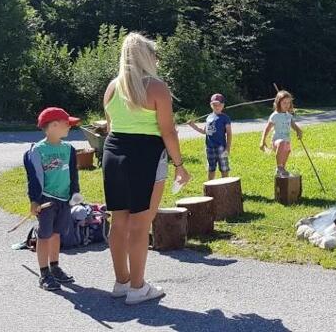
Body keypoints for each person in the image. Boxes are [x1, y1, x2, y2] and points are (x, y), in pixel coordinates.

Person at [102, 32, 190, 305]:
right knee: (141, 224)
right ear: (147, 56)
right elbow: (168, 132)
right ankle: (138, 288)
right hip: (146, 155)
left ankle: (122, 281)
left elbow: (109, 126)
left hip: (113, 152)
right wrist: (180, 165)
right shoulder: (156, 87)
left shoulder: (112, 87)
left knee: (119, 221)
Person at [23, 107, 81, 290]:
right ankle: (44, 273)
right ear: (54, 125)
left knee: (57, 234)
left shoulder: (69, 149)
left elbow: (73, 173)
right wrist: (34, 200)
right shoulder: (37, 151)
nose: (70, 127)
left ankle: (55, 267)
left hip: (64, 199)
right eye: (67, 124)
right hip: (46, 200)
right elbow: (33, 178)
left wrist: (75, 192)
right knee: (44, 235)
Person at [187, 93, 232, 180]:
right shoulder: (209, 117)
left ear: (223, 105)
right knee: (211, 168)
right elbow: (205, 131)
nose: (216, 106)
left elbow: (229, 134)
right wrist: (193, 126)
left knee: (224, 168)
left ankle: (225, 186)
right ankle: (210, 186)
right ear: (211, 105)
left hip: (221, 147)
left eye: (219, 104)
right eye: (214, 104)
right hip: (209, 147)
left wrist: (227, 148)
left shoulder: (225, 118)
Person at [260, 90, 302, 176]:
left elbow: (293, 125)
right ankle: (279, 167)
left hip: (286, 139)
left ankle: (282, 168)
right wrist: (262, 141)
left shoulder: (288, 115)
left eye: (289, 103)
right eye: (284, 103)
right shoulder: (275, 115)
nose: (287, 105)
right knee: (282, 143)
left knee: (288, 150)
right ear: (278, 103)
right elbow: (267, 128)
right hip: (277, 140)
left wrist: (298, 130)